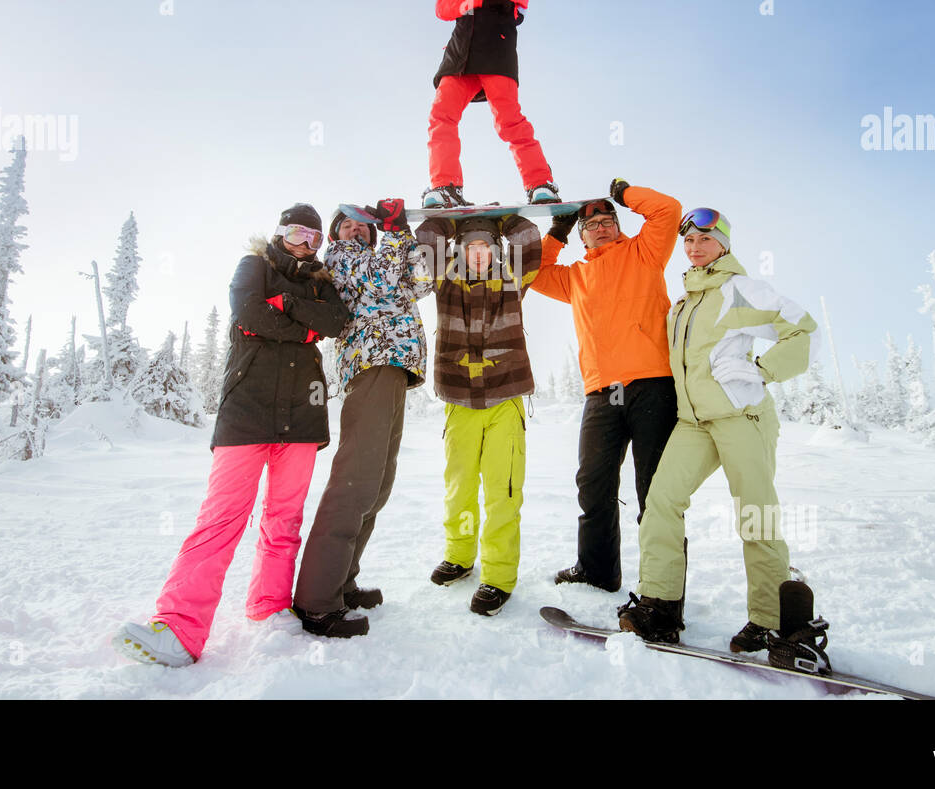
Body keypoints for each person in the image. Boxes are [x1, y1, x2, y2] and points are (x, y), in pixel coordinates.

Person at [113, 204, 349, 667]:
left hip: (303, 415)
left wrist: (286, 308)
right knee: (221, 519)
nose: (307, 242)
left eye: (316, 237)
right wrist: (305, 328)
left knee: (284, 521)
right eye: (299, 232)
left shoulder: (322, 283)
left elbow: (337, 322)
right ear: (281, 232)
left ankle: (270, 607)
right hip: (246, 412)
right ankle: (179, 627)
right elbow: (248, 313)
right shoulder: (254, 266)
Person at [617, 208, 820, 652]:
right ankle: (660, 606)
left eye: (705, 239)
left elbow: (803, 331)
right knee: (661, 503)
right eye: (688, 241)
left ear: (724, 244)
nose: (694, 247)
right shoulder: (688, 297)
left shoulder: (738, 290)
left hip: (740, 418)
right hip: (694, 424)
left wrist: (762, 369)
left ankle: (769, 621)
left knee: (755, 516)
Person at [291, 199, 433, 637]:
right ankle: (317, 600)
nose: (356, 231)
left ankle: (342, 581)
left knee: (378, 483)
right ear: (337, 235)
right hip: (371, 365)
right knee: (356, 480)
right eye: (348, 225)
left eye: (364, 227)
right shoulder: (342, 257)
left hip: (393, 369)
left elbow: (423, 280)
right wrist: (391, 234)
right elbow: (387, 281)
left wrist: (401, 233)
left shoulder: (378, 257)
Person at [531, 180, 682, 593]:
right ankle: (597, 571)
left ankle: (660, 588)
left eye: (606, 219)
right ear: (582, 236)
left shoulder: (645, 252)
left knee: (655, 491)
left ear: (618, 224)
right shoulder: (575, 277)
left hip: (653, 386)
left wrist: (626, 193)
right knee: (593, 483)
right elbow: (534, 273)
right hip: (602, 393)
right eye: (591, 223)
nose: (600, 226)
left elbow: (668, 209)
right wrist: (555, 235)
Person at [415, 212, 542, 616]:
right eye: (470, 247)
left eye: (486, 246)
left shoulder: (512, 280)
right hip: (459, 402)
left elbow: (529, 238)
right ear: (459, 252)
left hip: (505, 400)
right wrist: (452, 221)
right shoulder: (444, 282)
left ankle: (498, 577)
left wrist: (498, 218)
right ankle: (459, 557)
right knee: (460, 486)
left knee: (503, 491)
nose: (479, 254)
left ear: (496, 251)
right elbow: (427, 241)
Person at [424, 0, 560, 209]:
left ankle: (539, 183)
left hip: (496, 57)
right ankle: (444, 185)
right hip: (459, 59)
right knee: (441, 117)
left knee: (509, 122)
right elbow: (442, 7)